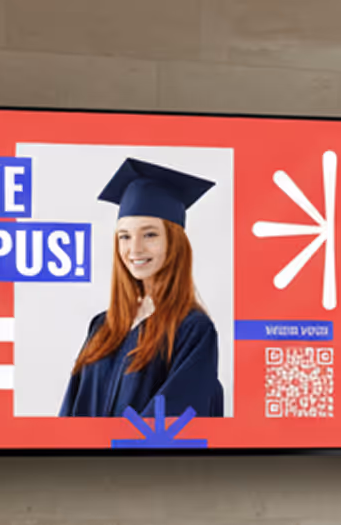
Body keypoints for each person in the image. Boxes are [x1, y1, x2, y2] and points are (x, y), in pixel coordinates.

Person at [60, 157, 224, 419]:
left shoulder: (193, 330)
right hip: (83, 461)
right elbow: (69, 414)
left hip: (140, 461)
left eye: (150, 235)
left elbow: (175, 421)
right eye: (124, 236)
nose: (134, 249)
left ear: (174, 242)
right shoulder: (102, 326)